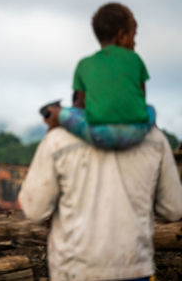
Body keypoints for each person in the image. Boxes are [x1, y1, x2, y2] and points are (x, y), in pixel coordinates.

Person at [19, 105, 182, 279]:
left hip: (75, 271)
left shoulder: (57, 140)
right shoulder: (155, 139)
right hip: (134, 269)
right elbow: (174, 209)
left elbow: (35, 211)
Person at [50, 3, 155, 150]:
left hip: (99, 136)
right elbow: (141, 100)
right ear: (122, 35)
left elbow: (81, 106)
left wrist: (60, 115)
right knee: (151, 109)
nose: (135, 41)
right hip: (135, 134)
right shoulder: (136, 60)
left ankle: (51, 130)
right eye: (133, 35)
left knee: (61, 113)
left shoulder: (84, 64)